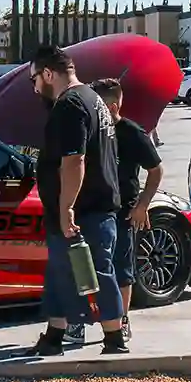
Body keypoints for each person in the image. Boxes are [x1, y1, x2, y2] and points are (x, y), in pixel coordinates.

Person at [27, 45, 128, 356]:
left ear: (48, 73)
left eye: (34, 79)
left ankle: (114, 340)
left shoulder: (69, 104)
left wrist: (66, 207)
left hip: (84, 210)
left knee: (96, 272)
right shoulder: (93, 99)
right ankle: (54, 336)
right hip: (96, 208)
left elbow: (74, 160)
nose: (34, 88)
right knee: (62, 273)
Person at [91, 77, 164, 317]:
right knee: (88, 268)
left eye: (96, 106)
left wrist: (143, 205)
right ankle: (82, 320)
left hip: (124, 211)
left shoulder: (132, 133)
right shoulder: (90, 131)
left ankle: (121, 322)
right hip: (93, 210)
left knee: (122, 269)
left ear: (112, 107)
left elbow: (155, 170)